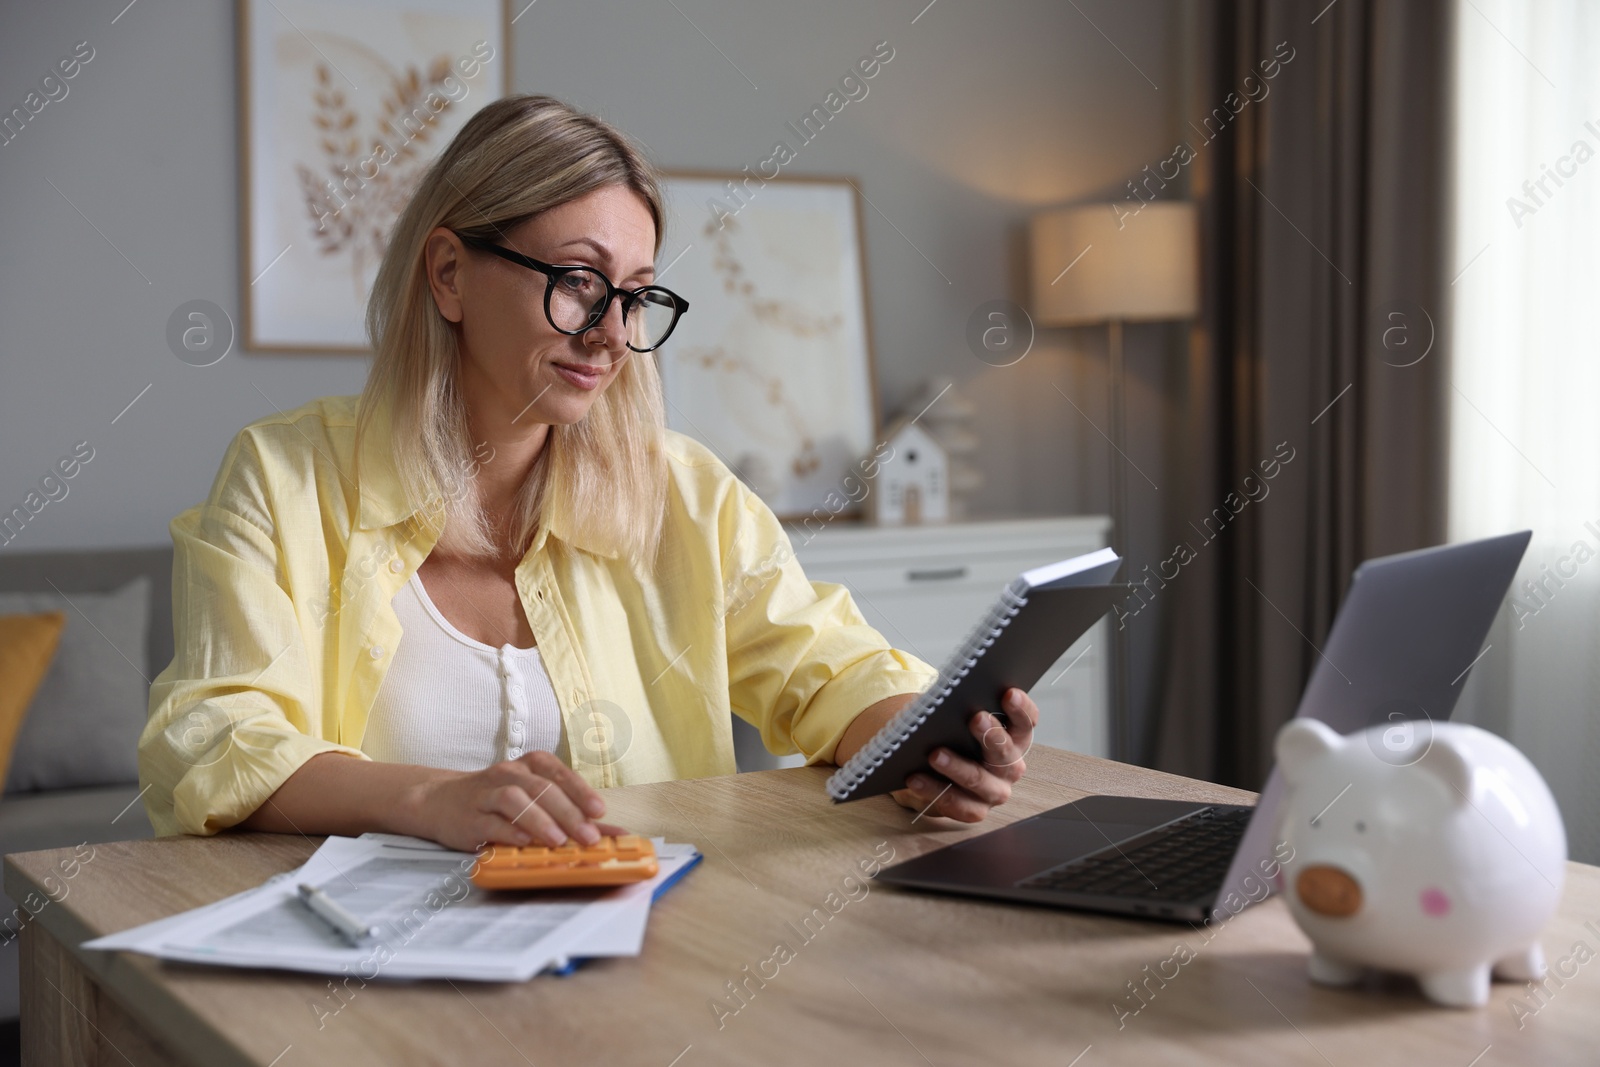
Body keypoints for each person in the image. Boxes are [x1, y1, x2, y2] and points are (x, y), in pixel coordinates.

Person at [137, 94, 1038, 852]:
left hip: (638, 959)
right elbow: (212, 740)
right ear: (449, 274)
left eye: (638, 294)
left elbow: (827, 665)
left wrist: (925, 745)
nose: (612, 334)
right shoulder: (284, 478)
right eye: (579, 281)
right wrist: (424, 800)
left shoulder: (686, 495)